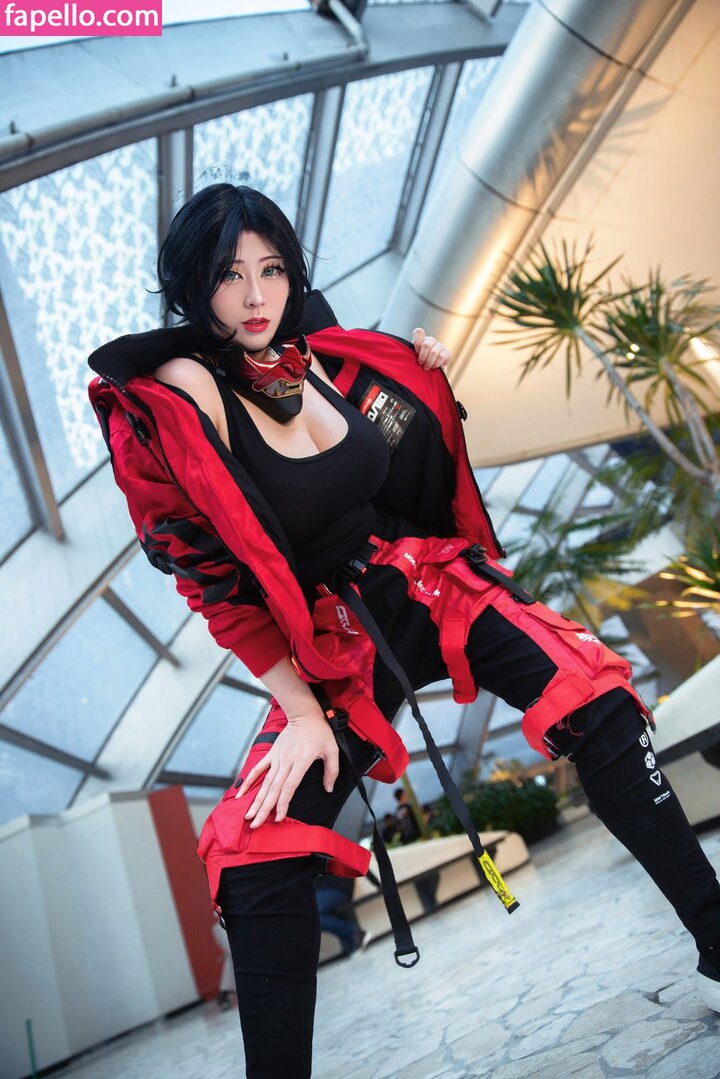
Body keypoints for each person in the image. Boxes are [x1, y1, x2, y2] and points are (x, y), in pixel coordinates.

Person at [88, 184, 720, 1077]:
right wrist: (300, 715)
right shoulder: (173, 399)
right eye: (230, 276)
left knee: (597, 701)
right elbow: (211, 582)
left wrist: (418, 371)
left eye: (273, 269)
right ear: (195, 284)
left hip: (424, 578)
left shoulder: (321, 355)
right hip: (331, 639)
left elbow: (398, 433)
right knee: (254, 856)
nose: (257, 295)